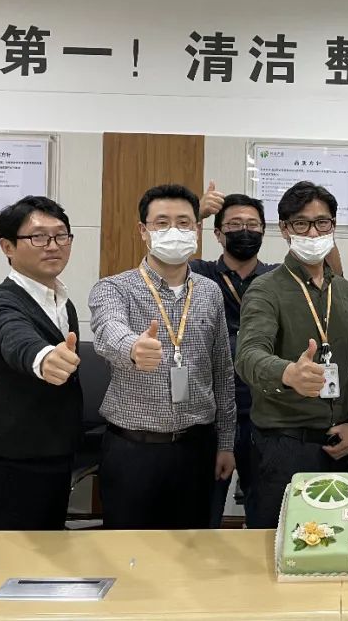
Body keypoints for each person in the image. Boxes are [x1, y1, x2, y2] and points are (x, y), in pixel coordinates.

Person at [89, 184, 236, 529]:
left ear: (197, 229)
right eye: (162, 223)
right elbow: (108, 328)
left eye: (184, 223)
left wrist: (226, 443)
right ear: (144, 231)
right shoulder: (114, 288)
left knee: (191, 547)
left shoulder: (210, 292)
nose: (174, 231)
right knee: (129, 550)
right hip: (133, 449)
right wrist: (132, 348)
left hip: (196, 448)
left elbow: (222, 372)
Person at [235, 181, 348, 529]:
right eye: (301, 223)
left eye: (322, 223)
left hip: (337, 443)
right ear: (284, 229)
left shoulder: (345, 292)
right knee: (277, 544)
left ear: (333, 226)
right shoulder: (265, 289)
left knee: (334, 541)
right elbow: (248, 354)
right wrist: (288, 374)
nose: (313, 232)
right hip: (283, 446)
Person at [0, 196, 82, 530]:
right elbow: (11, 338)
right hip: (7, 474)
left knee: (48, 560)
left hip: (53, 464)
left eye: (61, 235)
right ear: (7, 246)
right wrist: (43, 358)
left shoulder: (62, 303)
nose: (53, 245)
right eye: (38, 237)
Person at [191, 190, 278, 528]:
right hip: (211, 411)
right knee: (204, 513)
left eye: (252, 225)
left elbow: (329, 278)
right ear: (217, 233)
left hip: (263, 411)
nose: (245, 231)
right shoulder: (197, 274)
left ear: (263, 232)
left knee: (265, 512)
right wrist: (196, 215)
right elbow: (157, 266)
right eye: (235, 224)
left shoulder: (277, 279)